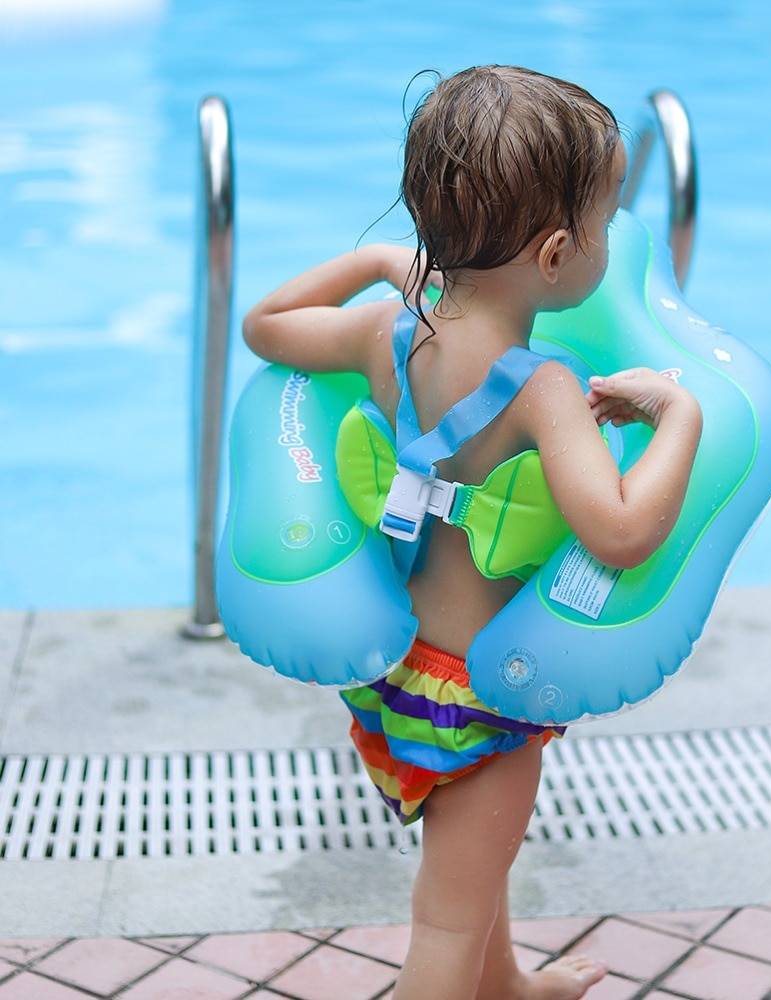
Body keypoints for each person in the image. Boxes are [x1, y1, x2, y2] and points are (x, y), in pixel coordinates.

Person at [242, 64, 702, 1000]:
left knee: (472, 876)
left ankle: (512, 988)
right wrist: (678, 420)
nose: (610, 245)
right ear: (558, 254)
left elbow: (265, 324)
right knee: (444, 918)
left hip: (397, 669)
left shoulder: (385, 333)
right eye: (607, 228)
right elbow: (620, 534)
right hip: (482, 696)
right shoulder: (541, 392)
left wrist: (376, 266)